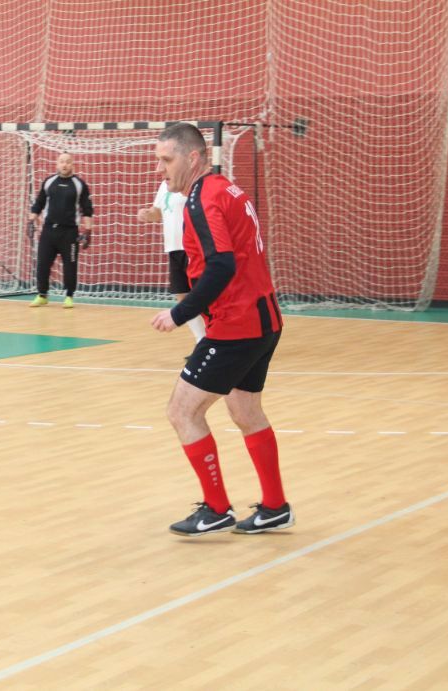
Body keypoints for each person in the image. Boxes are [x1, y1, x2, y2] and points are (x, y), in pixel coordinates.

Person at [149, 123, 291, 537]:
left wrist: (181, 313)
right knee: (245, 411)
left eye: (166, 159)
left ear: (192, 157)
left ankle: (216, 509)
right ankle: (275, 506)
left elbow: (222, 265)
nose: (159, 169)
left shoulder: (202, 200)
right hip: (263, 319)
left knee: (182, 411)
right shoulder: (226, 189)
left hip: (236, 325)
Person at [136, 180, 206, 343]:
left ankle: (216, 336)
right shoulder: (164, 185)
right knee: (181, 294)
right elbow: (157, 212)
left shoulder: (191, 183)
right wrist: (147, 214)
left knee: (201, 294)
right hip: (173, 248)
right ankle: (201, 338)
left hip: (192, 248)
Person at [27, 152, 94, 308]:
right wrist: (31, 220)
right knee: (42, 264)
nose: (64, 164)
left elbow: (87, 209)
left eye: (68, 162)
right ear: (57, 164)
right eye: (62, 161)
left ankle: (69, 296)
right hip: (49, 231)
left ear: (72, 165)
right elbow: (38, 204)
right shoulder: (49, 182)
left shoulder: (79, 185)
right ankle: (42, 295)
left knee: (70, 266)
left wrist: (88, 231)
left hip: (69, 233)